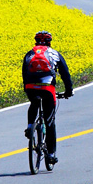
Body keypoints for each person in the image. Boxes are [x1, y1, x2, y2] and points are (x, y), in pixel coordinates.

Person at [22, 30, 73, 164]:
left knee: (34, 102)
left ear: (35, 41)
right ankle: (51, 154)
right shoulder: (54, 54)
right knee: (50, 122)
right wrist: (68, 91)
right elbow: (65, 74)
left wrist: (26, 87)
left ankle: (30, 126)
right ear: (50, 42)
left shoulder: (30, 53)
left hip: (31, 86)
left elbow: (24, 72)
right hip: (47, 88)